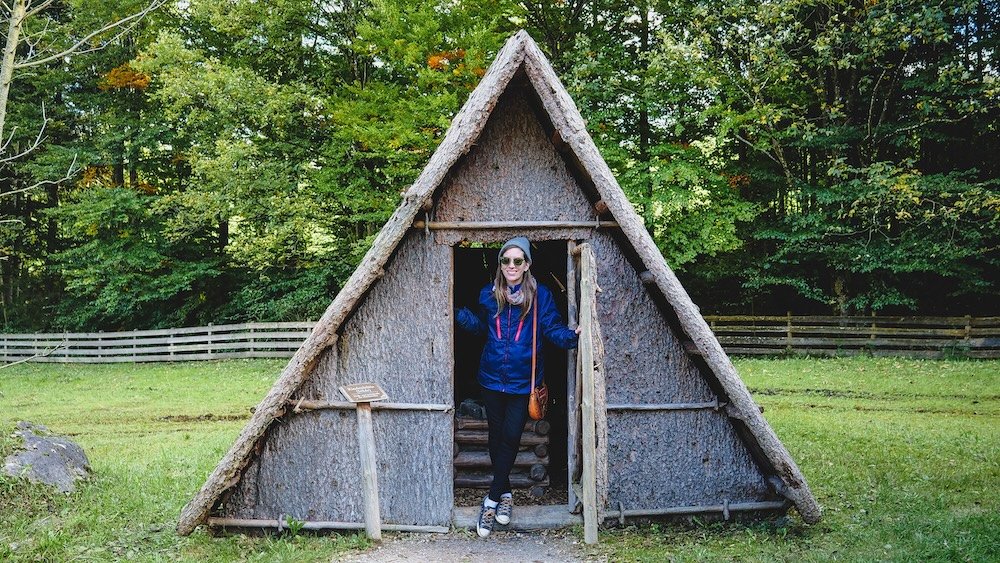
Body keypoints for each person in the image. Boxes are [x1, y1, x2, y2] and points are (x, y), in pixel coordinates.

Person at [456, 236, 579, 537]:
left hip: (525, 381)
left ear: (527, 265)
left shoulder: (541, 296)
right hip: (491, 378)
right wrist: (456, 313)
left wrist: (573, 335)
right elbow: (481, 328)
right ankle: (506, 494)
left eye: (517, 261)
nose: (511, 266)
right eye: (506, 260)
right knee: (497, 439)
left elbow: (551, 328)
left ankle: (491, 500)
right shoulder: (489, 293)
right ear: (500, 264)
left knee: (511, 437)